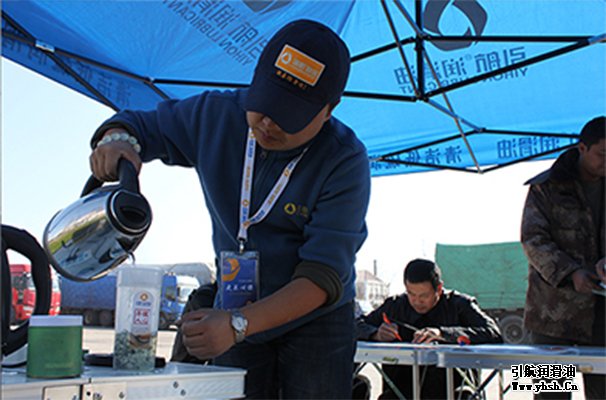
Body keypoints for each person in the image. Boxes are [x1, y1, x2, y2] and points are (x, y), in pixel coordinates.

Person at [89, 19, 371, 399]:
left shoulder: (344, 160)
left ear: (328, 111)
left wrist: (238, 324)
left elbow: (323, 276)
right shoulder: (217, 115)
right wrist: (116, 139)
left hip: (314, 318)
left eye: (289, 114)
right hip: (235, 304)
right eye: (266, 102)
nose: (268, 122)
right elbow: (140, 125)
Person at [521, 116, 605, 400]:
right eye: (603, 154)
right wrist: (571, 273)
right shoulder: (545, 186)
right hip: (551, 316)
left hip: (603, 316)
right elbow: (532, 240)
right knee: (549, 396)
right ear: (582, 148)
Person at [356, 258, 502, 399]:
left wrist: (444, 334)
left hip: (453, 391)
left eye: (424, 296)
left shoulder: (459, 305)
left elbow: (494, 333)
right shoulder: (395, 306)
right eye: (411, 294)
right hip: (401, 391)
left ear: (439, 288)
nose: (417, 301)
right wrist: (375, 334)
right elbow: (355, 326)